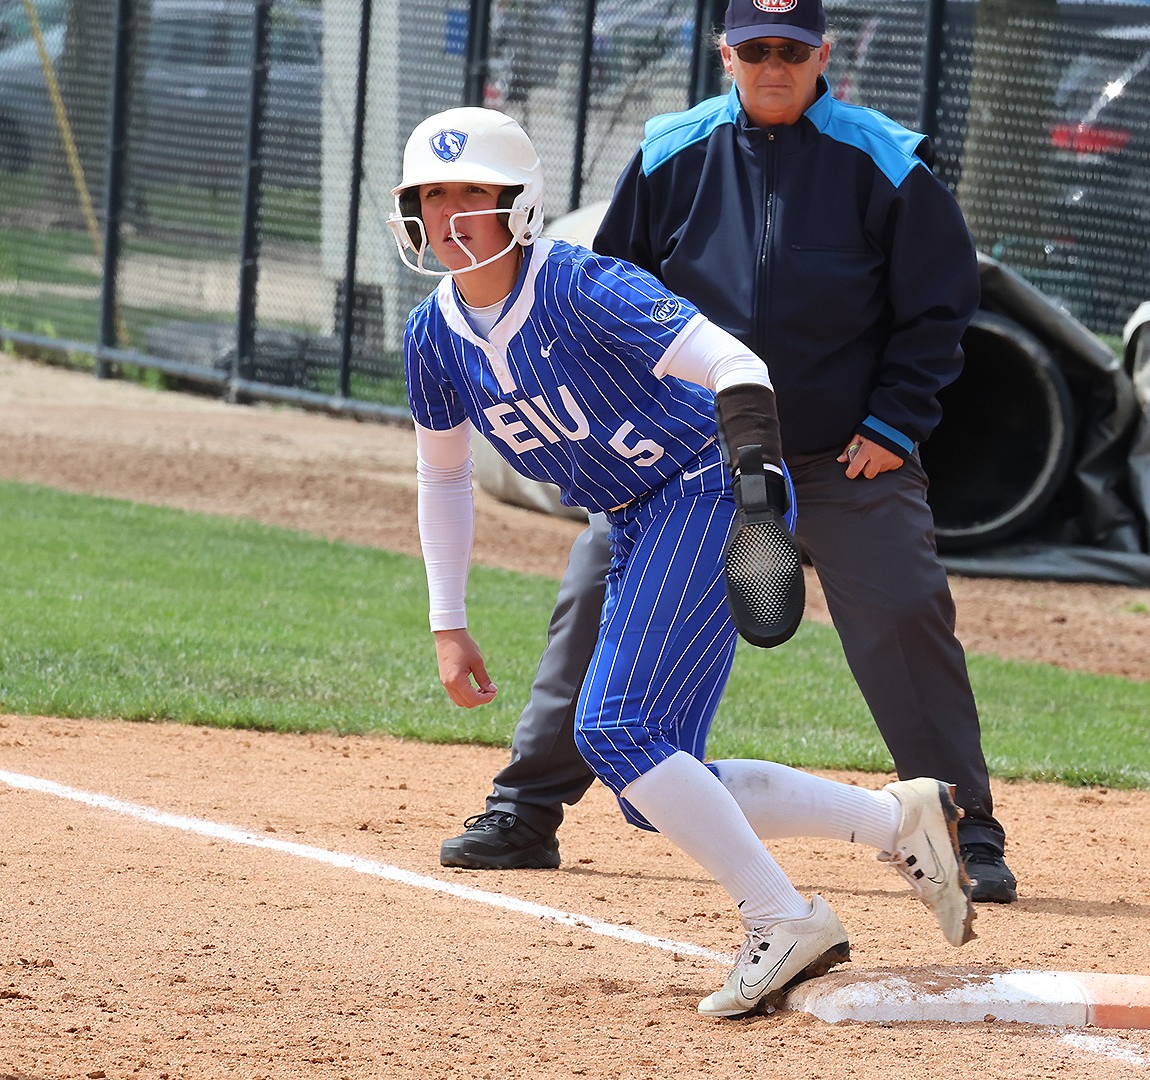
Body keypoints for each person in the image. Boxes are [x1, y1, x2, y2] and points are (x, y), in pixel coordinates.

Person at [390, 105, 976, 1017]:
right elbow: (445, 478)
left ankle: (783, 918)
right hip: (634, 514)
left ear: (520, 204)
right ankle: (893, 821)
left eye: (473, 191)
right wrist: (447, 619)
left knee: (614, 731)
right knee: (652, 781)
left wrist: (752, 494)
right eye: (432, 193)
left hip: (706, 484)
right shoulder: (433, 336)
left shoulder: (581, 285)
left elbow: (736, 363)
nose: (451, 212)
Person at [439, 0, 1020, 904]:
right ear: (727, 55)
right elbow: (613, 294)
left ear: (824, 54)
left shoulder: (886, 162)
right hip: (688, 464)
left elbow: (940, 308)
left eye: (792, 50)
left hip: (842, 456)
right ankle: (525, 811)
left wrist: (895, 425)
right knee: (592, 604)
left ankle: (960, 825)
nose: (774, 65)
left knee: (907, 618)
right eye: (756, 49)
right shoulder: (674, 152)